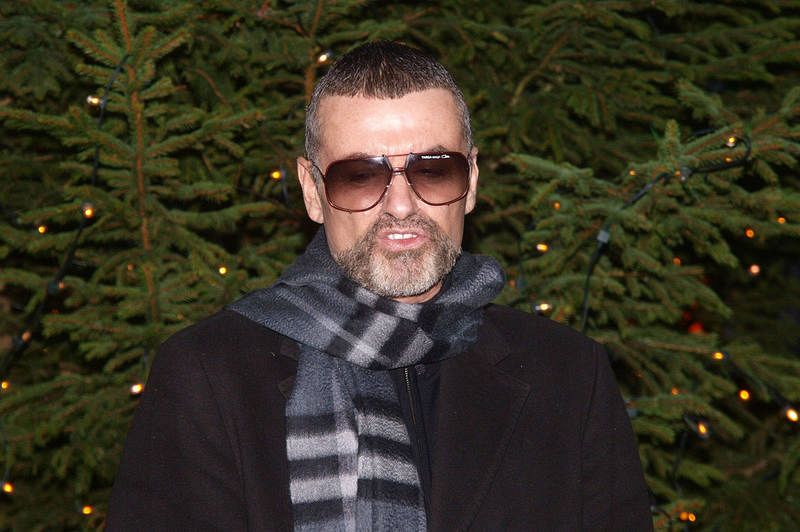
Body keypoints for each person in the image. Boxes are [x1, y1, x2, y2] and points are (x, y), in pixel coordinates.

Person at [108, 41, 652, 531]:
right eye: (360, 176)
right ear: (312, 191)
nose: (401, 205)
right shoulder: (210, 374)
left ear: (471, 182)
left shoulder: (569, 375)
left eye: (433, 170)